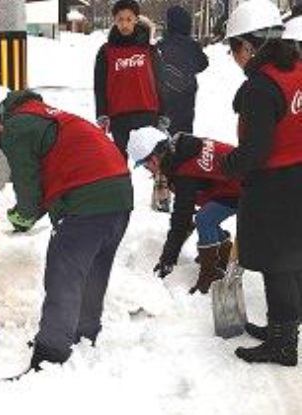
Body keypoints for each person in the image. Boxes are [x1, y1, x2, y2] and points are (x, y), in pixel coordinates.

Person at [0, 85, 133, 375]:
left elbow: (27, 185)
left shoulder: (16, 126)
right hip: (120, 196)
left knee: (63, 273)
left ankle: (50, 354)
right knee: (93, 270)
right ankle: (83, 334)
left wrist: (22, 218)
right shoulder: (43, 114)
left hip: (86, 200)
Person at [223, 0, 301, 366]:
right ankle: (283, 328)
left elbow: (256, 149)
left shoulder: (261, 85)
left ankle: (283, 344)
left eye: (233, 47)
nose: (232, 55)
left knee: (278, 262)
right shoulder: (297, 67)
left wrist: (228, 165)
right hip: (297, 174)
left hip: (276, 183)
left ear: (250, 45)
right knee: (293, 258)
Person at [128, 127, 240, 294]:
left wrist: (168, 258)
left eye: (144, 165)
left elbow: (182, 219)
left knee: (204, 219)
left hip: (246, 188)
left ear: (154, 159)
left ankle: (210, 273)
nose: (148, 170)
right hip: (234, 185)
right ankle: (222, 254)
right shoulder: (182, 149)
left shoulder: (184, 170)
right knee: (205, 217)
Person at [94, 0, 167, 160]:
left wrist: (163, 113)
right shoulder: (106, 51)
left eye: (129, 19)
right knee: (119, 164)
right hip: (119, 116)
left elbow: (160, 82)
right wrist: (102, 113)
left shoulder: (149, 49)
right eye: (120, 19)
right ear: (114, 20)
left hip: (148, 114)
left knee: (158, 163)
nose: (124, 24)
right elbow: (99, 85)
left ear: (136, 19)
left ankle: (163, 186)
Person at [157, 5, 209, 135]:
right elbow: (204, 63)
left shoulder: (162, 44)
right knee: (184, 130)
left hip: (165, 95)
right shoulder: (191, 45)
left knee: (165, 131)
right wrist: (190, 69)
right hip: (186, 94)